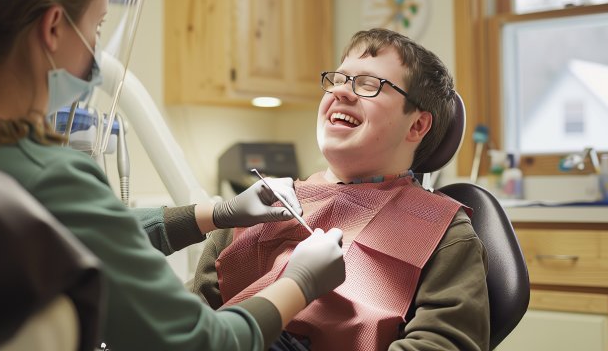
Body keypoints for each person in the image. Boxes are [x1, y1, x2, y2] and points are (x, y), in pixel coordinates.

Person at [0, 0, 345, 351]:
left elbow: (82, 234)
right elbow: (202, 342)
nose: (96, 48)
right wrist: (299, 282)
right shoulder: (50, 175)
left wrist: (218, 212)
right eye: (96, 25)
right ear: (52, 27)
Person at [191, 28, 489, 351]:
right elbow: (187, 320)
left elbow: (442, 344)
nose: (342, 92)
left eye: (369, 85)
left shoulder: (444, 234)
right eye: (340, 79)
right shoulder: (263, 205)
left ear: (417, 125)